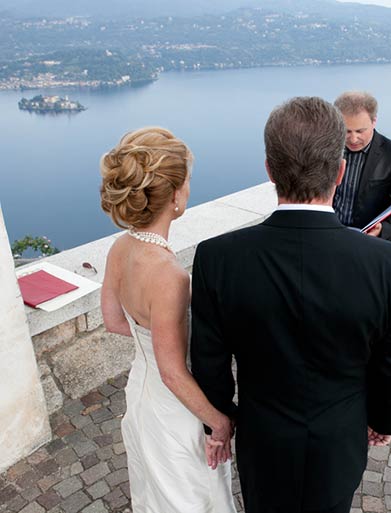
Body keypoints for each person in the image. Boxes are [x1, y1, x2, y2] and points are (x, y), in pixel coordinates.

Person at [191, 97, 391, 513]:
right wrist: (384, 420)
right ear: (340, 170)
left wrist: (218, 421)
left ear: (269, 171)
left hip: (264, 436)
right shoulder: (389, 264)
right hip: (341, 435)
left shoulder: (217, 258)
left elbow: (209, 357)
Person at [100, 127, 236, 513]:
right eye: (188, 180)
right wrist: (219, 422)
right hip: (175, 413)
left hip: (139, 400)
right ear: (175, 196)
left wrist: (153, 339)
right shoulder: (170, 276)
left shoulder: (120, 246)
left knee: (152, 494)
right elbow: (173, 372)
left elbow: (112, 319)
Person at [332, 91, 391, 240]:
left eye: (360, 131)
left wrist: (383, 229)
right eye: (347, 131)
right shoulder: (324, 147)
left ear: (374, 121)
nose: (353, 139)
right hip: (328, 233)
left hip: (368, 239)